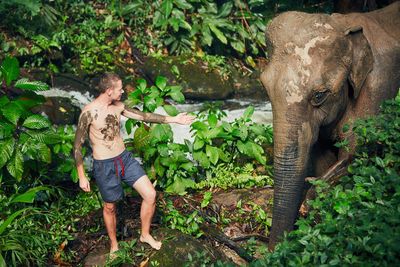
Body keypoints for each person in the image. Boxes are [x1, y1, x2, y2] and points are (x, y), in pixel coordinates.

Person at [73, 73, 194, 254]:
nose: (123, 91)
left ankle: (145, 235)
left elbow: (144, 116)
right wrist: (82, 175)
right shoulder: (88, 112)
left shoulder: (119, 106)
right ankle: (114, 245)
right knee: (110, 207)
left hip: (125, 159)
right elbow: (77, 146)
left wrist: (174, 119)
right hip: (104, 165)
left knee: (150, 195)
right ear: (108, 91)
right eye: (120, 89)